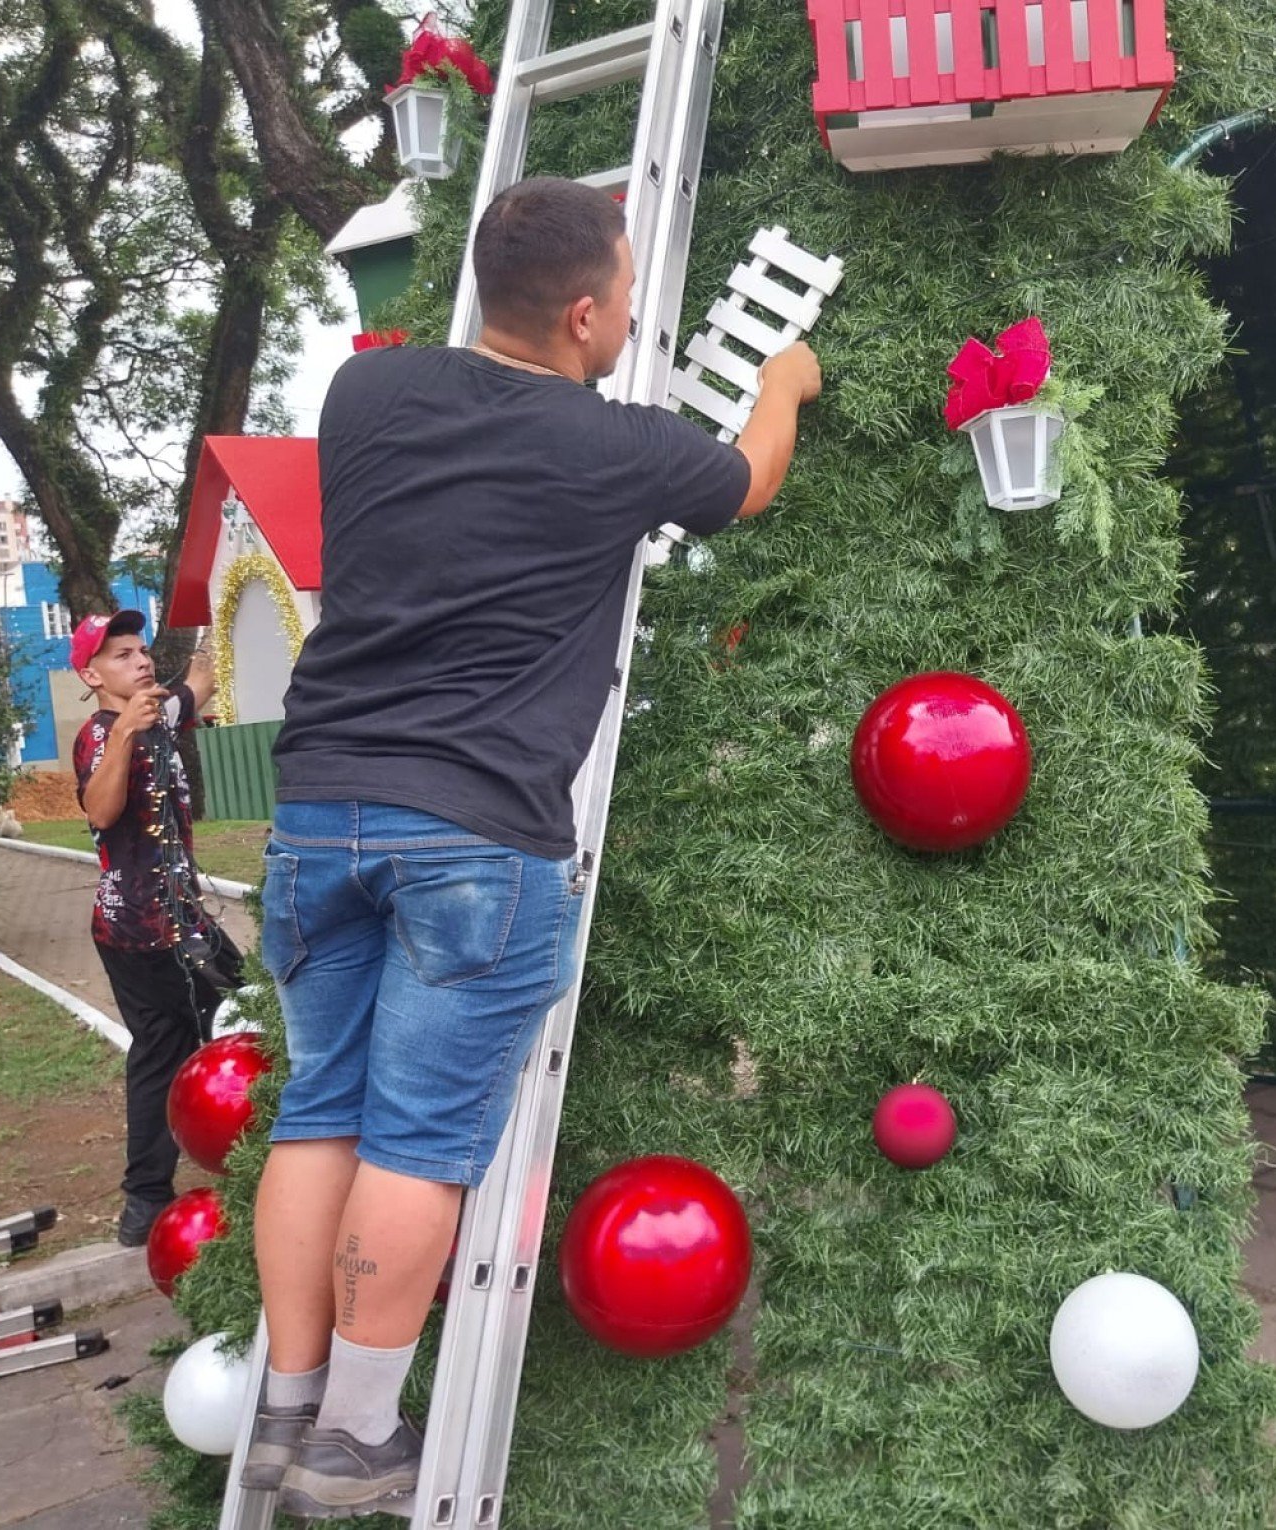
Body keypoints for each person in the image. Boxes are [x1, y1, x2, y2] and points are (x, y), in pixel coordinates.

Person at [247, 176, 822, 1518]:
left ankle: (285, 1406)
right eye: (622, 295)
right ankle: (354, 1439)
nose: (631, 316)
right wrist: (783, 379)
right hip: (472, 836)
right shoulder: (614, 447)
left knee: (318, 1107)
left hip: (317, 811)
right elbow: (748, 482)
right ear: (581, 314)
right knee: (417, 1145)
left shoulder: (364, 402)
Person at [70, 609, 243, 1247]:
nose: (140, 662)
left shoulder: (159, 714)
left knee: (158, 1055)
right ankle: (265, 1168)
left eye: (141, 650)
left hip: (169, 919)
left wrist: (211, 627)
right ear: (91, 675)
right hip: (149, 932)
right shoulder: (98, 734)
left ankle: (144, 1203)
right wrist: (122, 738)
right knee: (247, 1025)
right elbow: (100, 809)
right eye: (121, 655)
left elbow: (203, 680)